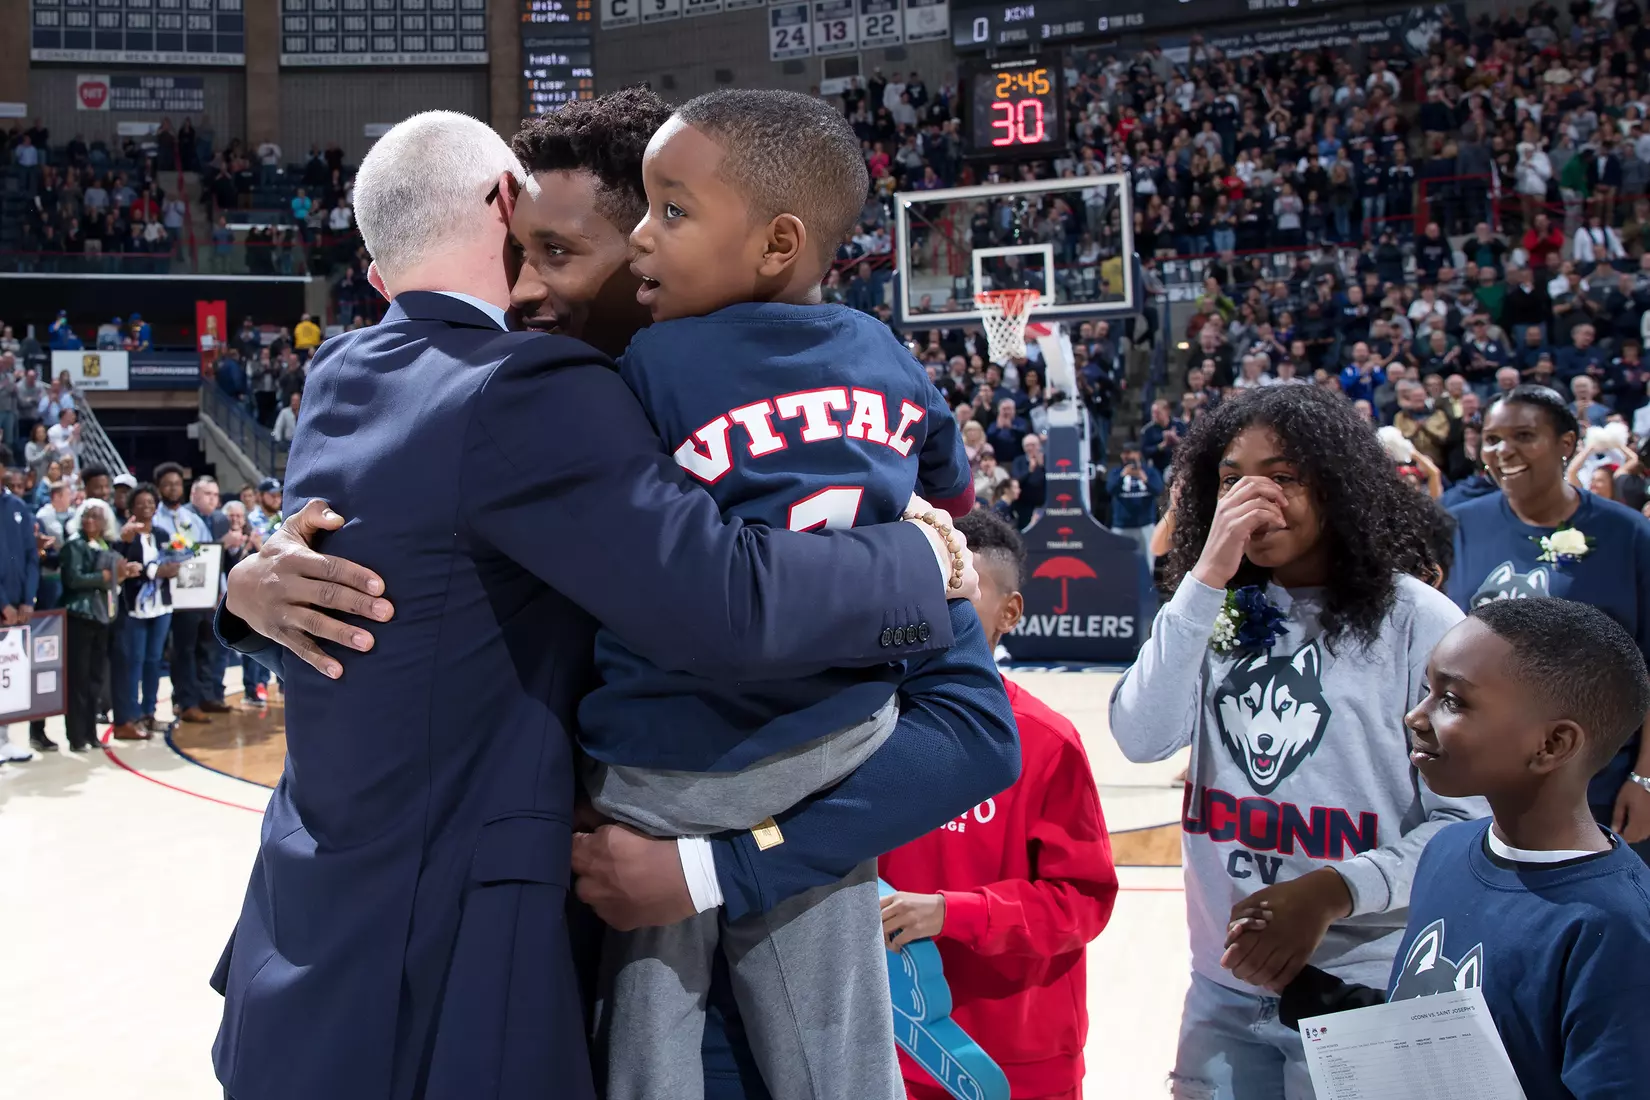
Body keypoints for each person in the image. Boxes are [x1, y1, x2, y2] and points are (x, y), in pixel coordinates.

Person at [206, 109, 1017, 1100]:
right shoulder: (512, 403)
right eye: (518, 249)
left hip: (709, 994)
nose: (529, 285)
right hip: (498, 987)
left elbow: (972, 735)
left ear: (650, 256)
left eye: (558, 251)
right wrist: (244, 585)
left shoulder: (844, 461)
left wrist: (723, 867)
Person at [580, 88, 981, 1099]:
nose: (640, 237)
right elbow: (954, 483)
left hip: (668, 767)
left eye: (670, 211)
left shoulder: (654, 359)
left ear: (776, 242)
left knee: (647, 1032)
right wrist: (925, 530)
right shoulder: (887, 349)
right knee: (840, 1050)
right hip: (832, 749)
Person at [1110, 385, 1484, 1099]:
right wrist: (1205, 577)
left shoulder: (1419, 620)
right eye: (1232, 479)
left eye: (1282, 476)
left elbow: (1465, 820)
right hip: (1222, 981)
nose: (1255, 496)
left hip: (1368, 985)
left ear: (1337, 486)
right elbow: (1140, 736)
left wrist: (1335, 890)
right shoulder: (1214, 608)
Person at [1268, 599, 1650, 1098]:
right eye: (1428, 690)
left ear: (1552, 744)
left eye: (1453, 701)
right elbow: (1441, 1026)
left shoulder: (1616, 929)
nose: (1414, 715)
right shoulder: (1447, 848)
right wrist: (1313, 994)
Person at [879, 510, 1117, 1100]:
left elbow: (1082, 902)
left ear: (1010, 612)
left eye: (967, 591)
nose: (943, 608)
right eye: (933, 590)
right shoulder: (868, 732)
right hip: (890, 1046)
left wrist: (951, 913)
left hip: (1017, 1053)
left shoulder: (1048, 741)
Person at [1447, 386, 1650, 861]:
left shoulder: (1631, 535)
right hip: (1480, 785)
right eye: (1492, 439)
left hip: (1598, 785)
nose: (1503, 451)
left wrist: (1645, 778)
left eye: (1522, 435)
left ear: (1566, 444)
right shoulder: (1454, 527)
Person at [151, 463, 220, 724]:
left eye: (177, 484)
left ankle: (202, 697)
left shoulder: (193, 521)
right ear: (159, 488)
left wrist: (218, 589)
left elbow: (209, 554)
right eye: (167, 484)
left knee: (200, 648)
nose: (173, 488)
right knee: (180, 651)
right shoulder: (155, 520)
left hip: (197, 595)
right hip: (169, 597)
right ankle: (185, 702)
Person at [111, 483, 180, 741]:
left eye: (150, 502)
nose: (147, 507)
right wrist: (154, 570)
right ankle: (131, 716)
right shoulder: (127, 537)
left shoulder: (163, 534)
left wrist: (174, 568)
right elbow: (125, 565)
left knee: (154, 661)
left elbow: (173, 561)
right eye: (141, 503)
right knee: (135, 661)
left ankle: (149, 712)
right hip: (135, 608)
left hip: (161, 605)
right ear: (131, 508)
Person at [61, 499, 130, 752]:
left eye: (96, 517)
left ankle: (91, 733)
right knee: (78, 679)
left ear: (105, 523)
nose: (90, 520)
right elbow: (73, 578)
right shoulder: (73, 545)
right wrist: (103, 577)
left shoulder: (106, 547)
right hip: (79, 617)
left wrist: (120, 577)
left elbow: (111, 582)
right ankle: (76, 736)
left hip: (102, 616)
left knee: (95, 679)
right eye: (86, 516)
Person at [0, 476, 39, 765]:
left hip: (17, 607)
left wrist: (28, 598)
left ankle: (5, 740)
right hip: (4, 606)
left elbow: (30, 555)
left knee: (7, 675)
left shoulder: (18, 505)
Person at [1107, 443, 1163, 572]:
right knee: (1117, 564)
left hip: (1145, 524)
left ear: (1138, 454)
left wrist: (1145, 478)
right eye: (1124, 453)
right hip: (1121, 525)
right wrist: (1122, 476)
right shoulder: (1116, 472)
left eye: (1129, 452)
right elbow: (1110, 489)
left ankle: (1147, 589)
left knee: (1147, 562)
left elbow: (1158, 489)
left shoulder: (1150, 471)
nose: (1126, 456)